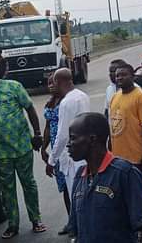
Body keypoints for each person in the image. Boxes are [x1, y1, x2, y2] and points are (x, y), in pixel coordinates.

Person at [0, 64, 46, 239]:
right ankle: (13, 225)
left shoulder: (13, 87)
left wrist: (36, 134)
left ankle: (36, 220)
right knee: (7, 190)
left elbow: (30, 108)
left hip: (22, 147)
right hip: (0, 152)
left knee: (29, 184)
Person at [67, 113, 142, 243]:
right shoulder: (79, 177)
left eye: (73, 138)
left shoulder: (125, 174)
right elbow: (75, 230)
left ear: (92, 139)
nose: (69, 144)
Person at [47, 68, 90, 231]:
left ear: (59, 82)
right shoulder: (82, 96)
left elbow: (63, 135)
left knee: (76, 196)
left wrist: (51, 160)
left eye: (54, 82)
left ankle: (80, 231)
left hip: (72, 157)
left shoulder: (66, 102)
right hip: (85, 154)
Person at [109, 60, 142, 170]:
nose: (119, 78)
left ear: (133, 77)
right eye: (117, 75)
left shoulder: (141, 97)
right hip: (117, 157)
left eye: (124, 75)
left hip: (135, 157)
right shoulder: (115, 97)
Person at [40, 74, 70, 220]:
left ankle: (77, 222)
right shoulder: (50, 103)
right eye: (48, 83)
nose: (50, 85)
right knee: (64, 187)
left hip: (67, 149)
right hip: (55, 150)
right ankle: (71, 220)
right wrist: (43, 147)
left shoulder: (66, 102)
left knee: (72, 186)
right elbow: (47, 127)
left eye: (53, 83)